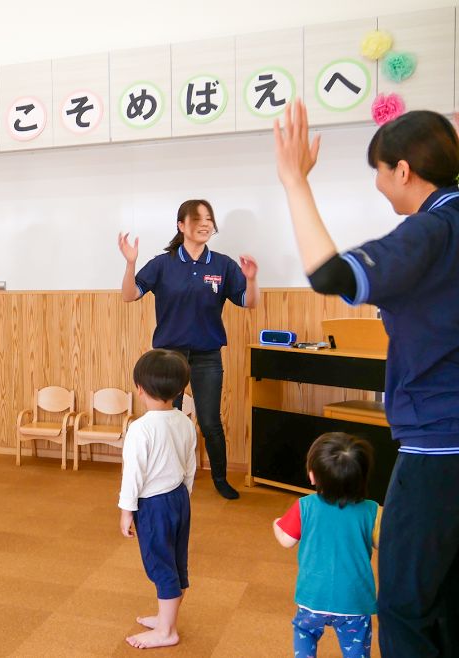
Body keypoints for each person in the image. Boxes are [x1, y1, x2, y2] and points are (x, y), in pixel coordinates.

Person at [273, 100, 459, 657]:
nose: (379, 184)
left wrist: (293, 181)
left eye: (379, 171)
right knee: (446, 593)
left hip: (440, 441)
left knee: (404, 602)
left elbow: (330, 273)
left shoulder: (430, 230)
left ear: (403, 170)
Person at [118, 200, 258, 499]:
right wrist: (130, 263)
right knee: (170, 418)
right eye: (197, 219)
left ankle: (220, 479)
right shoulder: (162, 263)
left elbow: (248, 301)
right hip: (169, 357)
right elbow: (129, 295)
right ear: (181, 226)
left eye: (209, 219)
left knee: (209, 421)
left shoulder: (222, 264)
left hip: (208, 355)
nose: (205, 224)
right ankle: (170, 478)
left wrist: (252, 280)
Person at [273, 433, 381, 658]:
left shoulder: (304, 506)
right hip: (354, 601)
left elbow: (286, 541)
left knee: (304, 630)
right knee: (356, 648)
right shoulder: (372, 510)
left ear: (312, 476)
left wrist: (276, 524)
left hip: (313, 598)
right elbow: (383, 543)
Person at [119, 349, 197, 650]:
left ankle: (166, 631)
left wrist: (127, 511)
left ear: (139, 388)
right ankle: (166, 617)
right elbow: (190, 465)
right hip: (179, 498)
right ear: (180, 389)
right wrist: (184, 495)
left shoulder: (140, 429)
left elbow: (133, 475)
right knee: (176, 560)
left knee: (160, 564)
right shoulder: (185, 421)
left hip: (154, 505)